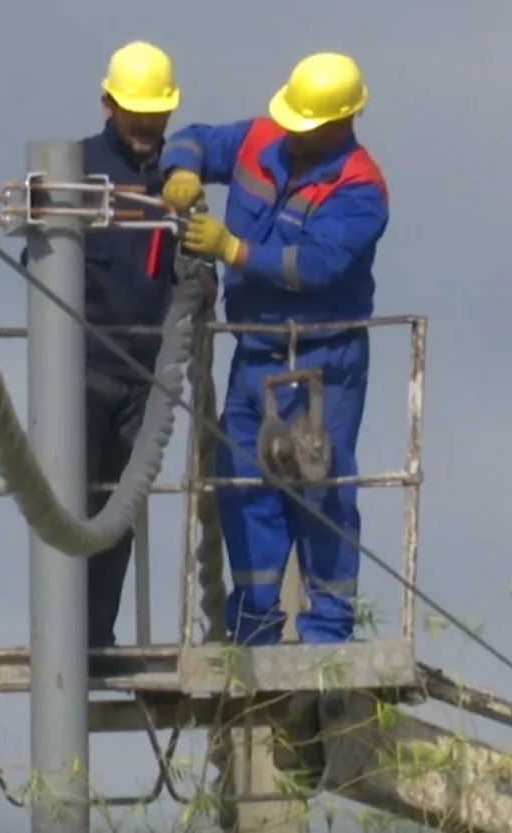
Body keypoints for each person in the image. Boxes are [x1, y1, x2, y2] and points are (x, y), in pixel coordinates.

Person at [158, 52, 389, 646]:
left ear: (342, 123)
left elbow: (317, 264)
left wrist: (231, 248)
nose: (293, 133)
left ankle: (327, 635)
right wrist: (181, 171)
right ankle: (254, 625)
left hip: (323, 359)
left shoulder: (360, 189)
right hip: (256, 354)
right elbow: (194, 139)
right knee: (242, 484)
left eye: (306, 126)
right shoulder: (262, 137)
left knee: (321, 488)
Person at [22, 41, 215, 673]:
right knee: (70, 499)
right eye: (136, 114)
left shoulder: (176, 182)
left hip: (145, 374)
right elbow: (40, 266)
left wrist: (201, 280)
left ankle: (96, 638)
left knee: (120, 507)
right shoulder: (76, 170)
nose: (147, 127)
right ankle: (62, 632)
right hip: (79, 368)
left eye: (156, 115)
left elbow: (194, 261)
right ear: (108, 103)